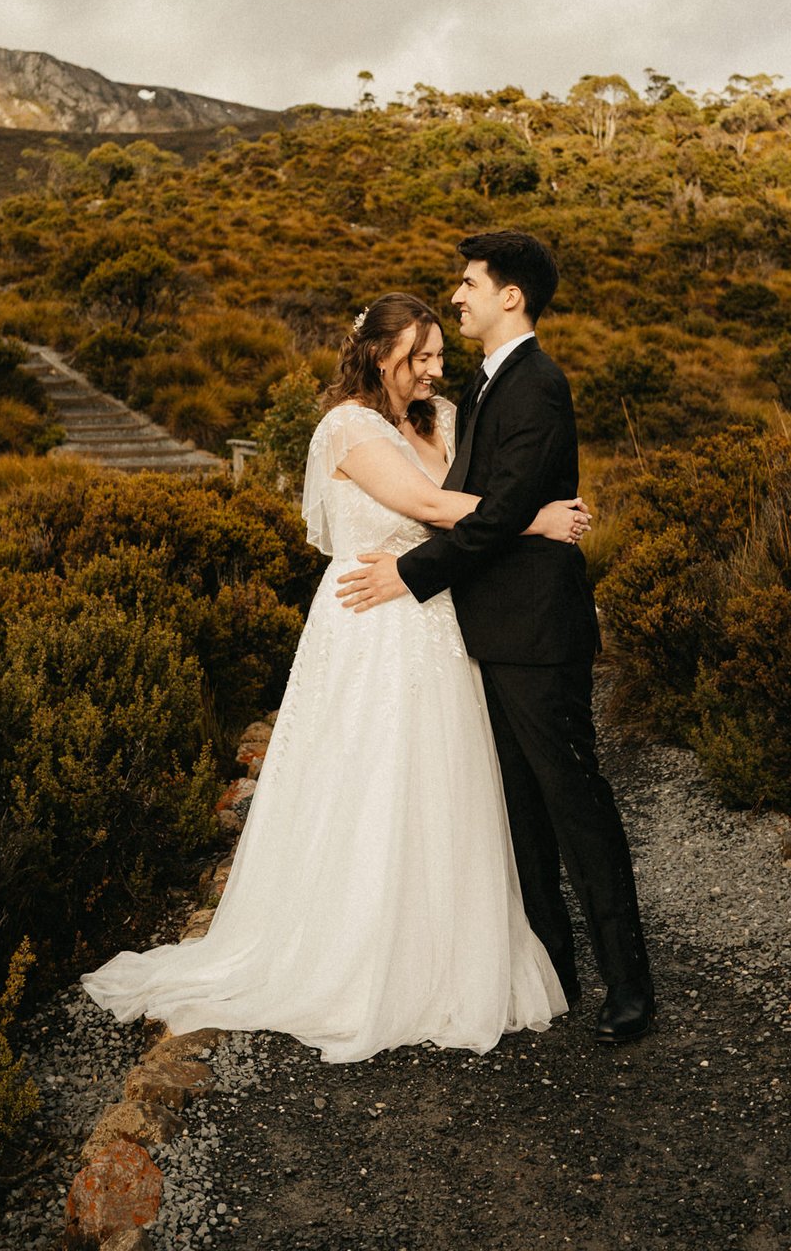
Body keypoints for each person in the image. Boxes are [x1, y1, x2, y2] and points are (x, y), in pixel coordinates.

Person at [80, 291, 594, 1061]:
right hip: (370, 621)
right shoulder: (345, 427)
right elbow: (424, 501)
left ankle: (446, 946)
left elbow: (482, 492)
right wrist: (536, 519)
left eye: (437, 358)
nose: (431, 371)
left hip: (434, 611)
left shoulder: (447, 418)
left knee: (445, 779)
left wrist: (522, 508)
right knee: (368, 778)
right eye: (417, 359)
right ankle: (352, 947)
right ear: (378, 354)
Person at [336, 231, 656, 1045]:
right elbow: (487, 501)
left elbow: (503, 508)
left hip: (538, 632)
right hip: (487, 629)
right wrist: (533, 516)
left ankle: (630, 985)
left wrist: (411, 576)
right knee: (521, 814)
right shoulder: (482, 386)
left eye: (471, 282)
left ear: (510, 295)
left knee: (575, 803)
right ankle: (553, 970)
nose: (459, 294)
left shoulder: (537, 385)